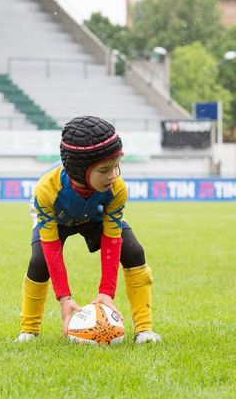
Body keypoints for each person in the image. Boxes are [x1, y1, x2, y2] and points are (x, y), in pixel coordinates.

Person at [15, 116, 161, 344]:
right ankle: (29, 331)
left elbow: (113, 240)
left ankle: (144, 331)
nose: (113, 175)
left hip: (94, 215)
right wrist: (64, 297)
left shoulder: (117, 188)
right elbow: (51, 246)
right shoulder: (46, 189)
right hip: (58, 219)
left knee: (133, 251)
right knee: (39, 262)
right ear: (79, 171)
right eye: (104, 170)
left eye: (116, 166)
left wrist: (106, 292)